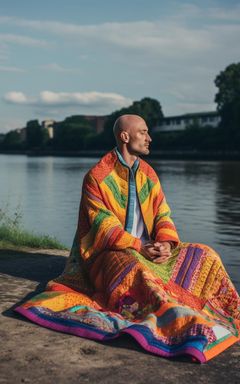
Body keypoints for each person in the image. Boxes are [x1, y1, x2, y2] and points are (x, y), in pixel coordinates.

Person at [15, 114, 240, 363]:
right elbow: (103, 227)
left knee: (204, 253)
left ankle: (227, 312)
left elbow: (163, 213)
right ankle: (172, 318)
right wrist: (139, 246)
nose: (149, 138)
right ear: (125, 136)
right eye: (143, 132)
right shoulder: (97, 177)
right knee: (131, 267)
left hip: (148, 249)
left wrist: (165, 243)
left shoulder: (149, 174)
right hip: (109, 254)